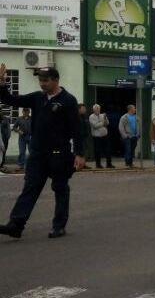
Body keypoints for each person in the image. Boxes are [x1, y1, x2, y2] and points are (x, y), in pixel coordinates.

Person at [0, 64, 85, 240]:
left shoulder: (68, 100)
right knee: (30, 187)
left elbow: (77, 129)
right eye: (40, 80)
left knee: (60, 188)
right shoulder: (37, 98)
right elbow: (11, 100)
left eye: (45, 80)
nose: (42, 83)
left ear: (56, 80)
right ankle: (16, 225)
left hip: (59, 153)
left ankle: (58, 226)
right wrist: (2, 84)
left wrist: (79, 153)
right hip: (37, 153)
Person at [89, 104, 113, 169]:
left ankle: (109, 164)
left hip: (105, 135)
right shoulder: (91, 117)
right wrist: (102, 123)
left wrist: (105, 118)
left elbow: (107, 123)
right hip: (97, 137)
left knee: (108, 150)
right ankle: (98, 164)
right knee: (97, 151)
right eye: (96, 108)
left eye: (99, 108)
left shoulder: (103, 115)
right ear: (93, 109)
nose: (98, 110)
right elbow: (95, 126)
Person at [119, 104, 140, 168]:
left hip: (135, 136)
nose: (135, 109)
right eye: (134, 108)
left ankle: (130, 163)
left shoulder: (136, 117)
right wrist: (125, 135)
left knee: (132, 150)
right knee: (128, 150)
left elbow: (139, 126)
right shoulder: (124, 117)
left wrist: (138, 134)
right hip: (127, 136)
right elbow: (121, 127)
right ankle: (127, 163)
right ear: (130, 109)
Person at [78, 104, 92, 170]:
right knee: (80, 152)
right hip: (79, 137)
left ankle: (83, 164)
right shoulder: (76, 117)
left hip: (85, 136)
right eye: (83, 108)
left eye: (85, 108)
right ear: (79, 109)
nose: (85, 110)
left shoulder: (84, 116)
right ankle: (79, 165)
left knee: (84, 151)